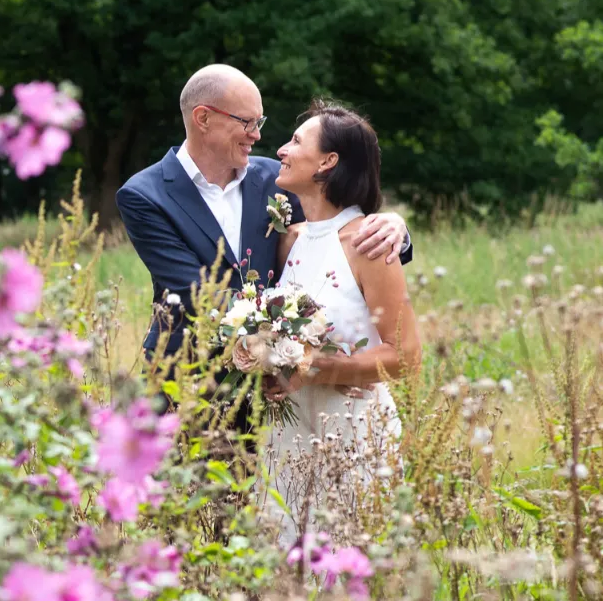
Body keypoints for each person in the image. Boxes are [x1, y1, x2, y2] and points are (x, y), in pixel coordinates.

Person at [114, 64, 411, 406]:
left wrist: (394, 228)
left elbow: (330, 240)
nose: (256, 134)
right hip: (188, 382)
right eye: (247, 122)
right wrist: (305, 357)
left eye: (260, 122)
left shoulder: (276, 178)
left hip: (273, 396)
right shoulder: (145, 195)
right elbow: (196, 293)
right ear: (203, 118)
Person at [262, 101, 421, 541]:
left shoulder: (369, 241)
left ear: (328, 162)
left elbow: (407, 356)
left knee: (352, 569)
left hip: (352, 430)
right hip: (287, 436)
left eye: (296, 141)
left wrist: (320, 368)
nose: (280, 149)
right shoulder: (287, 240)